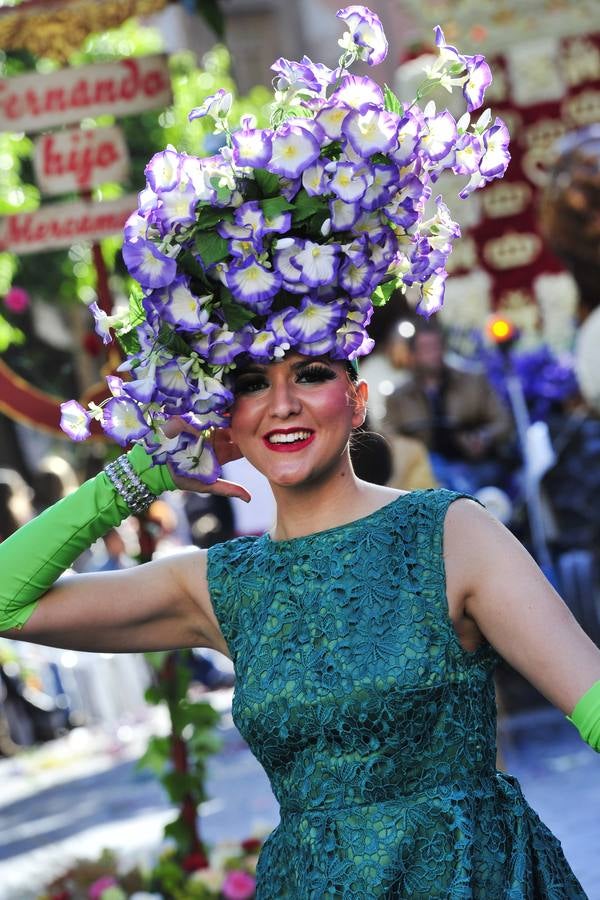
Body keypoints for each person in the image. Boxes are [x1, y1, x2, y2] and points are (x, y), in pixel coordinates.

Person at [1, 8, 597, 897]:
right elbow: (7, 600)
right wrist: (139, 472)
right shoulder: (219, 585)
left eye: (310, 372)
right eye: (249, 381)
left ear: (355, 399)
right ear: (226, 416)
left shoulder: (452, 534)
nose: (280, 403)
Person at [384, 320, 514, 494]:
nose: (433, 354)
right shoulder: (399, 398)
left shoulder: (473, 382)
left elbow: (503, 421)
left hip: (473, 464)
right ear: (413, 354)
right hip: (425, 470)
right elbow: (389, 437)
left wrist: (484, 437)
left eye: (437, 346)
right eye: (426, 348)